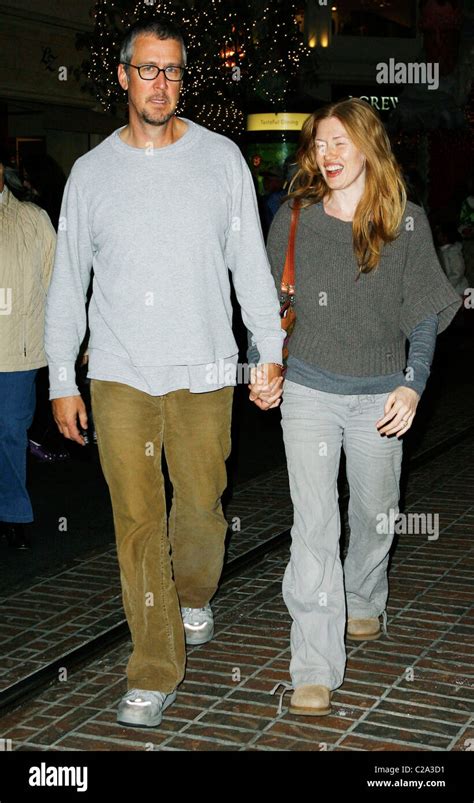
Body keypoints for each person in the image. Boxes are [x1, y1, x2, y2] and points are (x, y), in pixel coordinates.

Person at [45, 17, 284, 728]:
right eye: (148, 70)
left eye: (173, 71)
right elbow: (67, 283)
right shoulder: (90, 173)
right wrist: (62, 375)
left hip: (207, 368)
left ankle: (193, 590)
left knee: (203, 506)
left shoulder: (221, 161)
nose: (161, 84)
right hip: (119, 372)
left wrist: (265, 350)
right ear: (123, 76)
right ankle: (153, 666)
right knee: (138, 522)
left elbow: (250, 268)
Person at [256, 98, 461, 716]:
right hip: (310, 391)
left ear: (370, 146)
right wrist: (264, 364)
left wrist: (413, 381)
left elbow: (424, 310)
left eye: (341, 142)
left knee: (376, 514)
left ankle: (365, 595)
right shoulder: (295, 219)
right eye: (321, 144)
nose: (329, 155)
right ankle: (314, 665)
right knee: (314, 526)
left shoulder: (408, 222)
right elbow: (270, 306)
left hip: (380, 393)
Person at [0, 145, 56, 549]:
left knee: (8, 433)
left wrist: (72, 344)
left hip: (15, 352)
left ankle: (12, 513)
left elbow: (59, 286)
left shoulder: (32, 220)